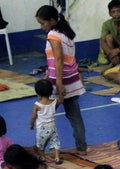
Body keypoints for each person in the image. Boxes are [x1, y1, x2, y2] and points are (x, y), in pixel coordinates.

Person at [36, 5, 87, 156]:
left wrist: (58, 82)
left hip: (59, 81)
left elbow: (58, 59)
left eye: (42, 23)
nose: (41, 27)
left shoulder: (53, 35)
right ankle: (82, 147)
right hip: (72, 80)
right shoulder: (66, 34)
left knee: (45, 116)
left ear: (51, 21)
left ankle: (41, 149)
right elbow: (57, 59)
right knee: (75, 116)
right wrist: (47, 73)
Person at [30, 79, 61, 164]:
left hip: (42, 129)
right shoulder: (54, 102)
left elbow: (33, 116)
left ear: (38, 94)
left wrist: (31, 125)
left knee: (40, 145)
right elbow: (61, 100)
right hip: (52, 127)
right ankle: (57, 158)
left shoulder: (37, 105)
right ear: (51, 92)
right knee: (56, 142)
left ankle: (43, 157)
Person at [98, 0, 120, 66]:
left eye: (118, 11)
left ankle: (118, 61)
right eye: (113, 12)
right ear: (110, 13)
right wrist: (111, 53)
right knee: (108, 37)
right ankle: (114, 60)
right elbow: (102, 42)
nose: (116, 14)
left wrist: (118, 50)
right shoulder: (106, 24)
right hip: (113, 51)